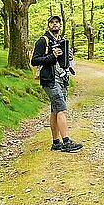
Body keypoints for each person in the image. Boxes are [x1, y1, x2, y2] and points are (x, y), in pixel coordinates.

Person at [31, 15, 83, 153]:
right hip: (50, 80)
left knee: (55, 111)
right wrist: (52, 56)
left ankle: (56, 142)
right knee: (62, 109)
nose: (55, 24)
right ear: (48, 25)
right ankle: (66, 142)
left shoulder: (62, 41)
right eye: (52, 22)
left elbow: (65, 63)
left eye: (57, 22)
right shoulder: (43, 41)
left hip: (62, 79)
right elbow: (34, 61)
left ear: (60, 25)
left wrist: (70, 57)